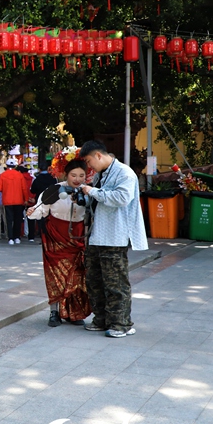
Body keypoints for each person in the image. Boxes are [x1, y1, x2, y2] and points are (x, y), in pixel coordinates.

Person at [79, 140, 148, 338]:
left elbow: (122, 198)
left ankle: (121, 323)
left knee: (115, 283)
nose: (89, 166)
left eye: (89, 161)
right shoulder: (101, 174)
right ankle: (101, 319)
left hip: (115, 236)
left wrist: (92, 191)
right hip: (96, 235)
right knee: (94, 280)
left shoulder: (124, 173)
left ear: (99, 155)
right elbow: (98, 200)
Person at [27, 158, 92, 327]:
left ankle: (74, 312)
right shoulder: (54, 190)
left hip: (77, 238)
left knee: (77, 276)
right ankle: (54, 312)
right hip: (55, 237)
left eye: (81, 175)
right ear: (65, 174)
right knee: (55, 276)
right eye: (73, 175)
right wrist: (32, 211)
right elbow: (41, 209)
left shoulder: (89, 191)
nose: (77, 179)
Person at [0, 158, 30, 245]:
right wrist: (26, 199)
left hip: (7, 200)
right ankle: (17, 237)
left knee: (9, 220)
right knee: (17, 220)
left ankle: (10, 238)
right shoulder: (19, 175)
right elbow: (24, 189)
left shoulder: (3, 175)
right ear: (15, 166)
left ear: (6, 166)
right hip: (19, 200)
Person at [29, 161, 58, 238]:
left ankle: (43, 235)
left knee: (41, 218)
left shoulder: (37, 179)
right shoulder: (53, 178)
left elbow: (32, 190)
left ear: (39, 169)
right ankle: (51, 234)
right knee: (50, 217)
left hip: (40, 201)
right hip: (52, 200)